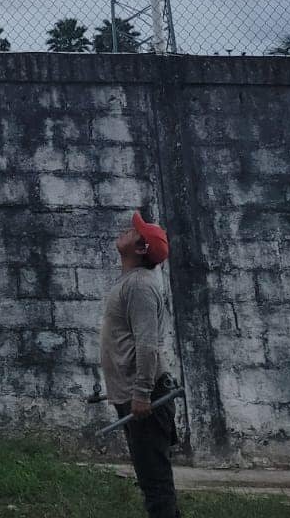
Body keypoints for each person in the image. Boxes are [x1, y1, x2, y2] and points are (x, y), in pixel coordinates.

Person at [100, 210, 182, 518]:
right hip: (136, 395)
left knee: (156, 484)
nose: (127, 231)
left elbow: (148, 344)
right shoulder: (131, 282)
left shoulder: (140, 286)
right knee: (151, 480)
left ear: (141, 248)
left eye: (134, 232)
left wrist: (142, 393)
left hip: (146, 398)